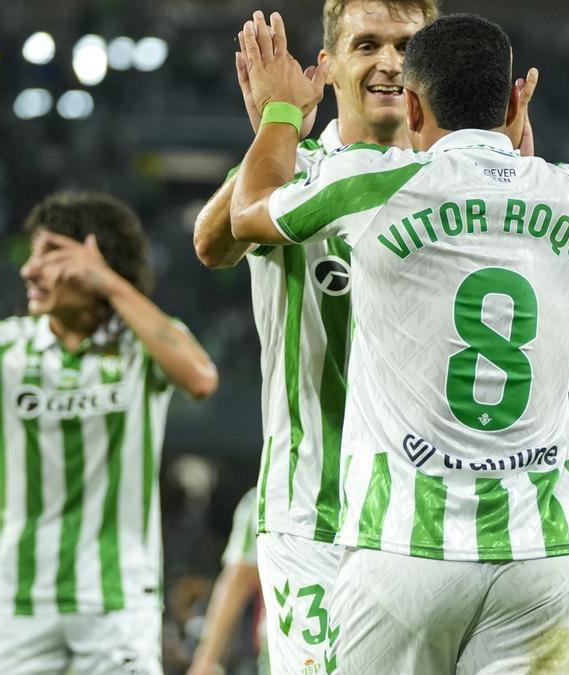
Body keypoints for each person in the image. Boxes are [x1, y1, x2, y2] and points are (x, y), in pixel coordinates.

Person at [230, 12, 569, 673]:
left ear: (412, 101)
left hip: (406, 545)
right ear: (517, 98)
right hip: (542, 557)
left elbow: (247, 213)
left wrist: (280, 115)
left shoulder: (373, 184)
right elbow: (514, 214)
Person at [194, 2, 441, 671]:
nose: (390, 62)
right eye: (368, 44)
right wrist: (274, 130)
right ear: (326, 67)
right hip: (312, 516)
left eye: (407, 46)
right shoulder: (291, 170)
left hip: (423, 525)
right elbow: (212, 243)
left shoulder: (448, 181)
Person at [0, 191, 219, 674]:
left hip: (117, 603)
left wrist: (108, 281)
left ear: (94, 259)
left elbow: (200, 378)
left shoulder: (141, 345)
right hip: (21, 605)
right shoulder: (8, 347)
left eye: (49, 255)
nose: (29, 270)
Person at [187, 488, 266, 675]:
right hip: (296, 642)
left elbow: (240, 578)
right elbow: (241, 577)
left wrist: (205, 660)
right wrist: (206, 660)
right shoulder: (262, 497)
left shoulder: (264, 495)